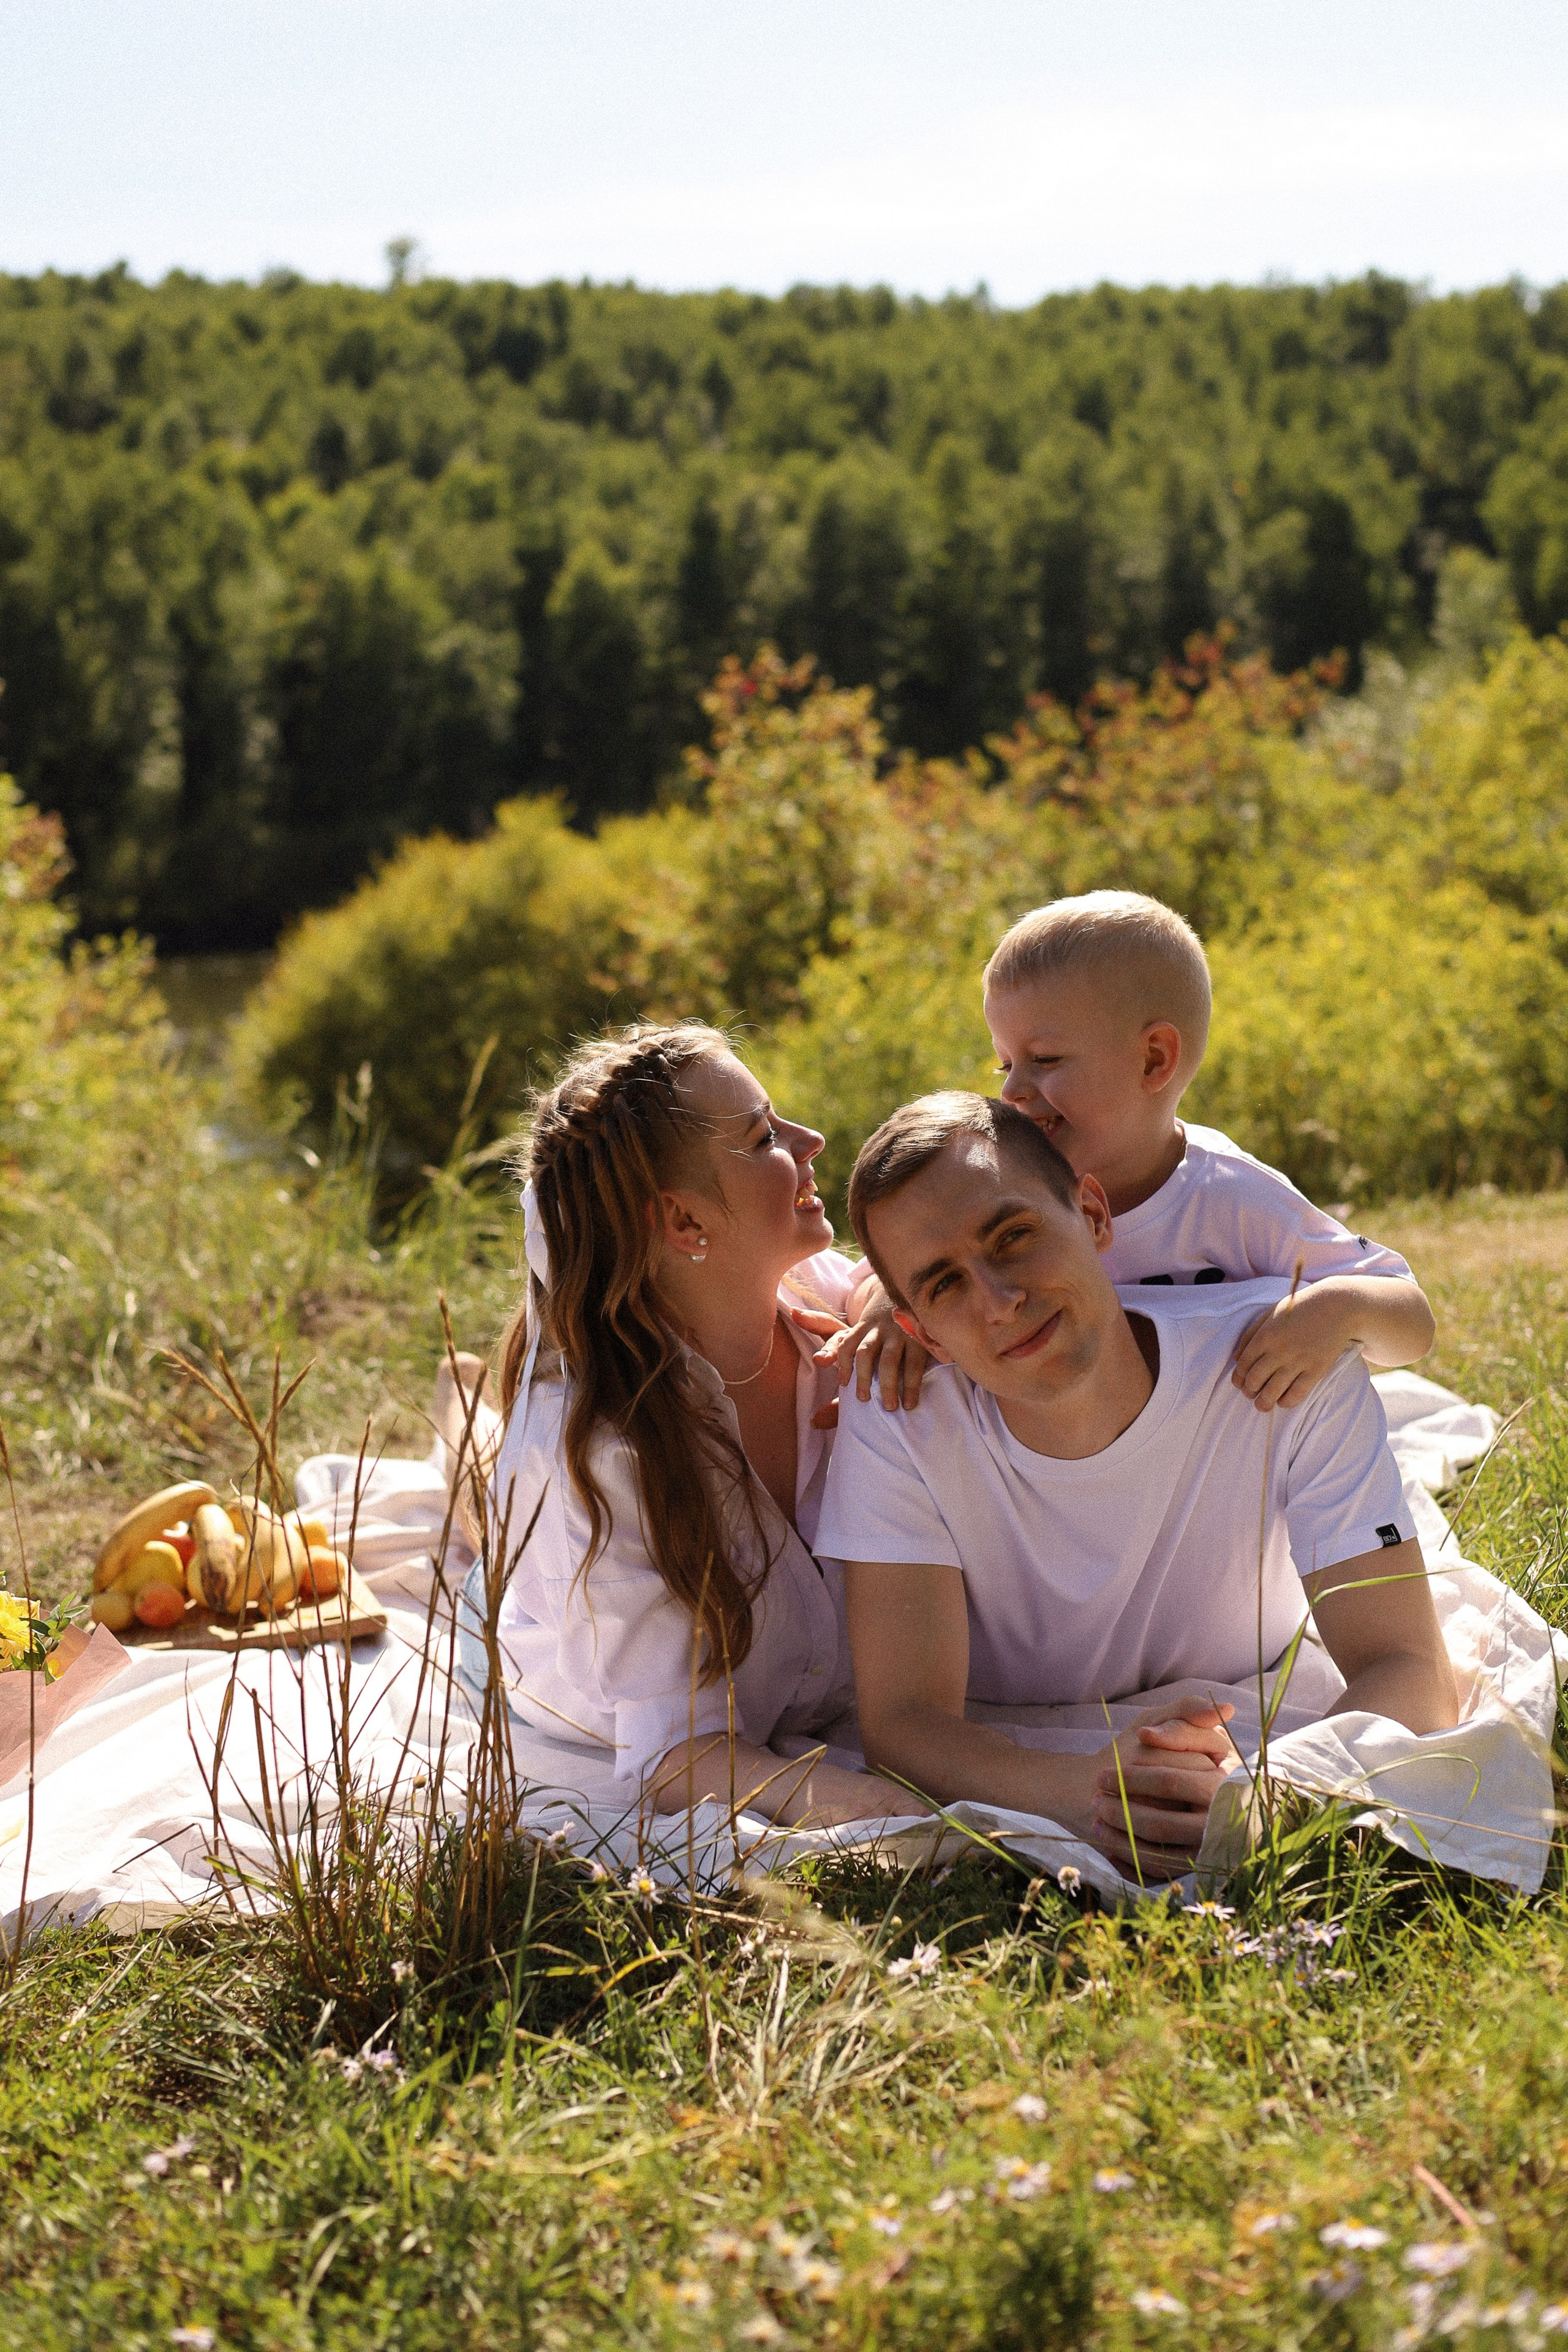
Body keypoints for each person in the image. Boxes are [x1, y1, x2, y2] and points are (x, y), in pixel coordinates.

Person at [815, 1091, 1460, 1879]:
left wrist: (1262, 1800)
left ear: (1092, 1214)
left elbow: (1410, 1670)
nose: (1000, 1300)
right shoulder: (897, 1412)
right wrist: (1091, 1791)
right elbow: (905, 1722)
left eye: (1013, 1235)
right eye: (945, 1284)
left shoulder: (1286, 1355)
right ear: (918, 1331)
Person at [481, 1021, 917, 1826]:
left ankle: (467, 1415)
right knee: (481, 1511)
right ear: (684, 1225)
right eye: (763, 1138)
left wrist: (894, 1297)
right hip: (554, 1637)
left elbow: (867, 1283)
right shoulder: (603, 1454)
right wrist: (881, 1806)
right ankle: (465, 1420)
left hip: (804, 1697)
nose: (812, 1139)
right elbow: (676, 1758)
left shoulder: (815, 1293)